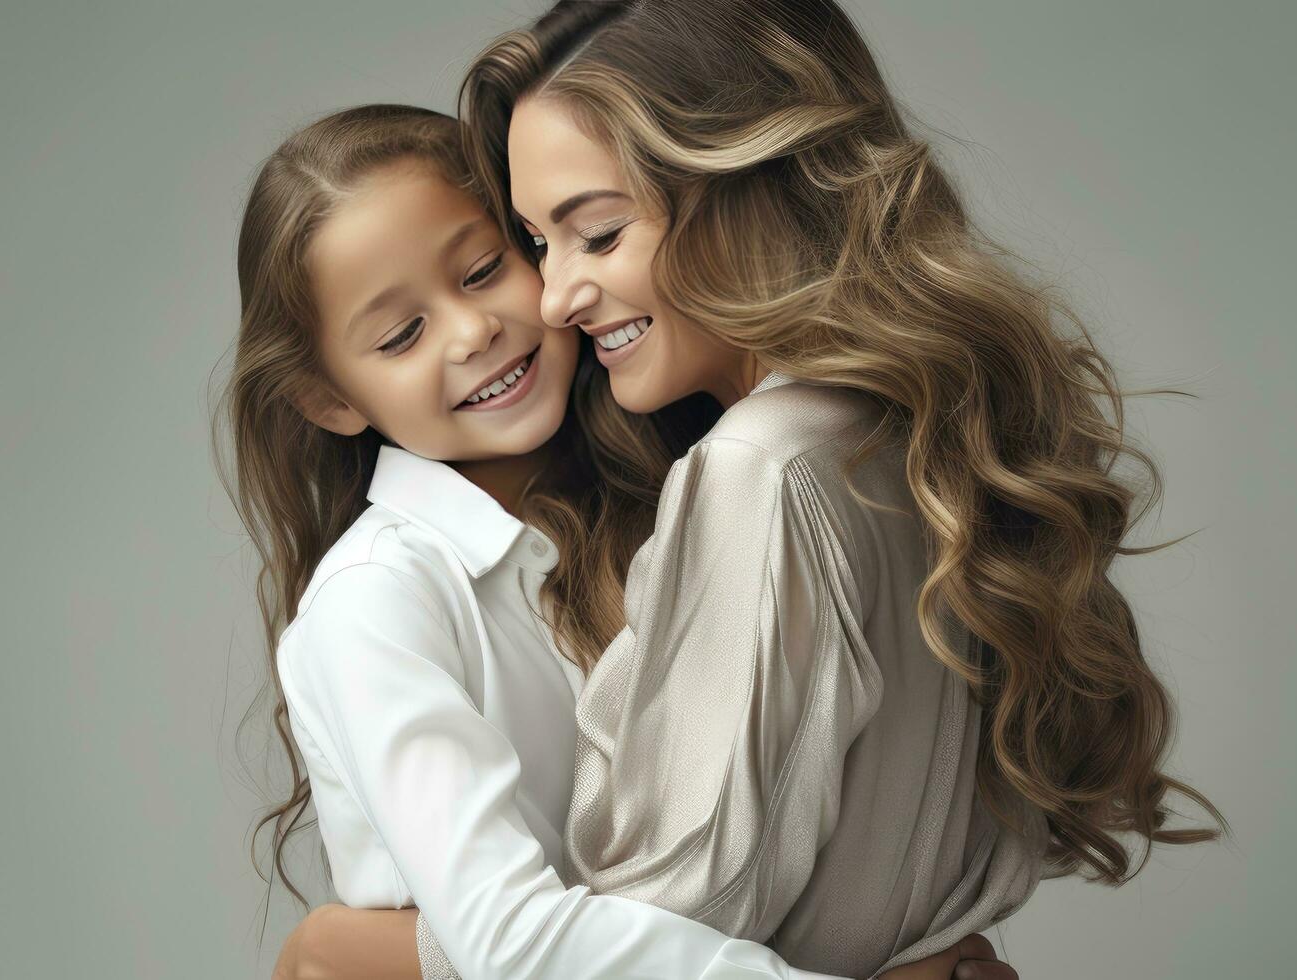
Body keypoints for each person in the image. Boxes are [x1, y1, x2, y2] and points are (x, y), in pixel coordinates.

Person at [296, 1, 1223, 976]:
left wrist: (364, 952)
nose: (555, 296)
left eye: (598, 235)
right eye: (534, 244)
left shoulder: (761, 471)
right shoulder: (912, 428)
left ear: (744, 185)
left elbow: (665, 923)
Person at [223, 104, 1015, 980]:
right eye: (401, 335)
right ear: (329, 400)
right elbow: (513, 943)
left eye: (486, 269)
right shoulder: (376, 601)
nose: (471, 331)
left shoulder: (702, 485)